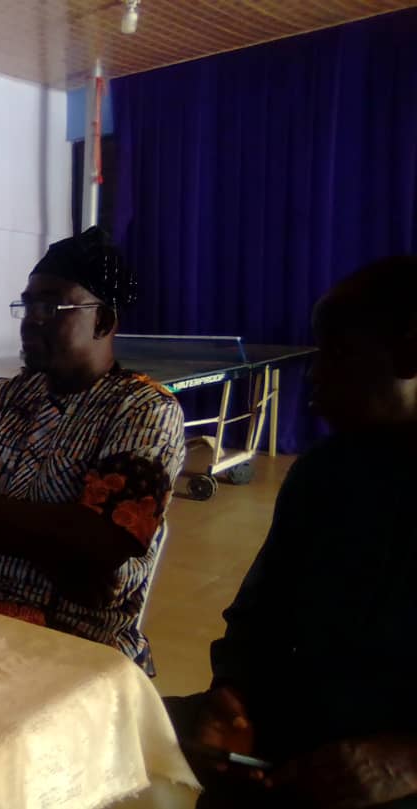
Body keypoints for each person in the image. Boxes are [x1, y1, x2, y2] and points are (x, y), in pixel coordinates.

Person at [168, 255, 417, 809]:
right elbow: (259, 616)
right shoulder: (323, 474)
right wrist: (231, 696)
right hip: (295, 737)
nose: (315, 378)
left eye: (338, 355)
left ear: (409, 354)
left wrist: (404, 761)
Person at [0, 227, 185, 671]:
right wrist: (50, 533)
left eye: (50, 307)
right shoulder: (4, 398)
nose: (30, 321)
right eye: (27, 307)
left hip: (76, 628)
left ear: (103, 322)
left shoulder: (144, 410)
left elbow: (98, 554)